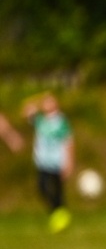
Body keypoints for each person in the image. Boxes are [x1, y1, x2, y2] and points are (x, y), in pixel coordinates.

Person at [22, 93, 74, 233]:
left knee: (58, 191)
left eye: (50, 102)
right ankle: (56, 213)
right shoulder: (40, 120)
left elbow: (68, 142)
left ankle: (61, 217)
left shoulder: (61, 121)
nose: (47, 104)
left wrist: (69, 162)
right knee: (42, 188)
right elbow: (25, 110)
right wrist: (37, 101)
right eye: (45, 102)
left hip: (57, 161)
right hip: (42, 161)